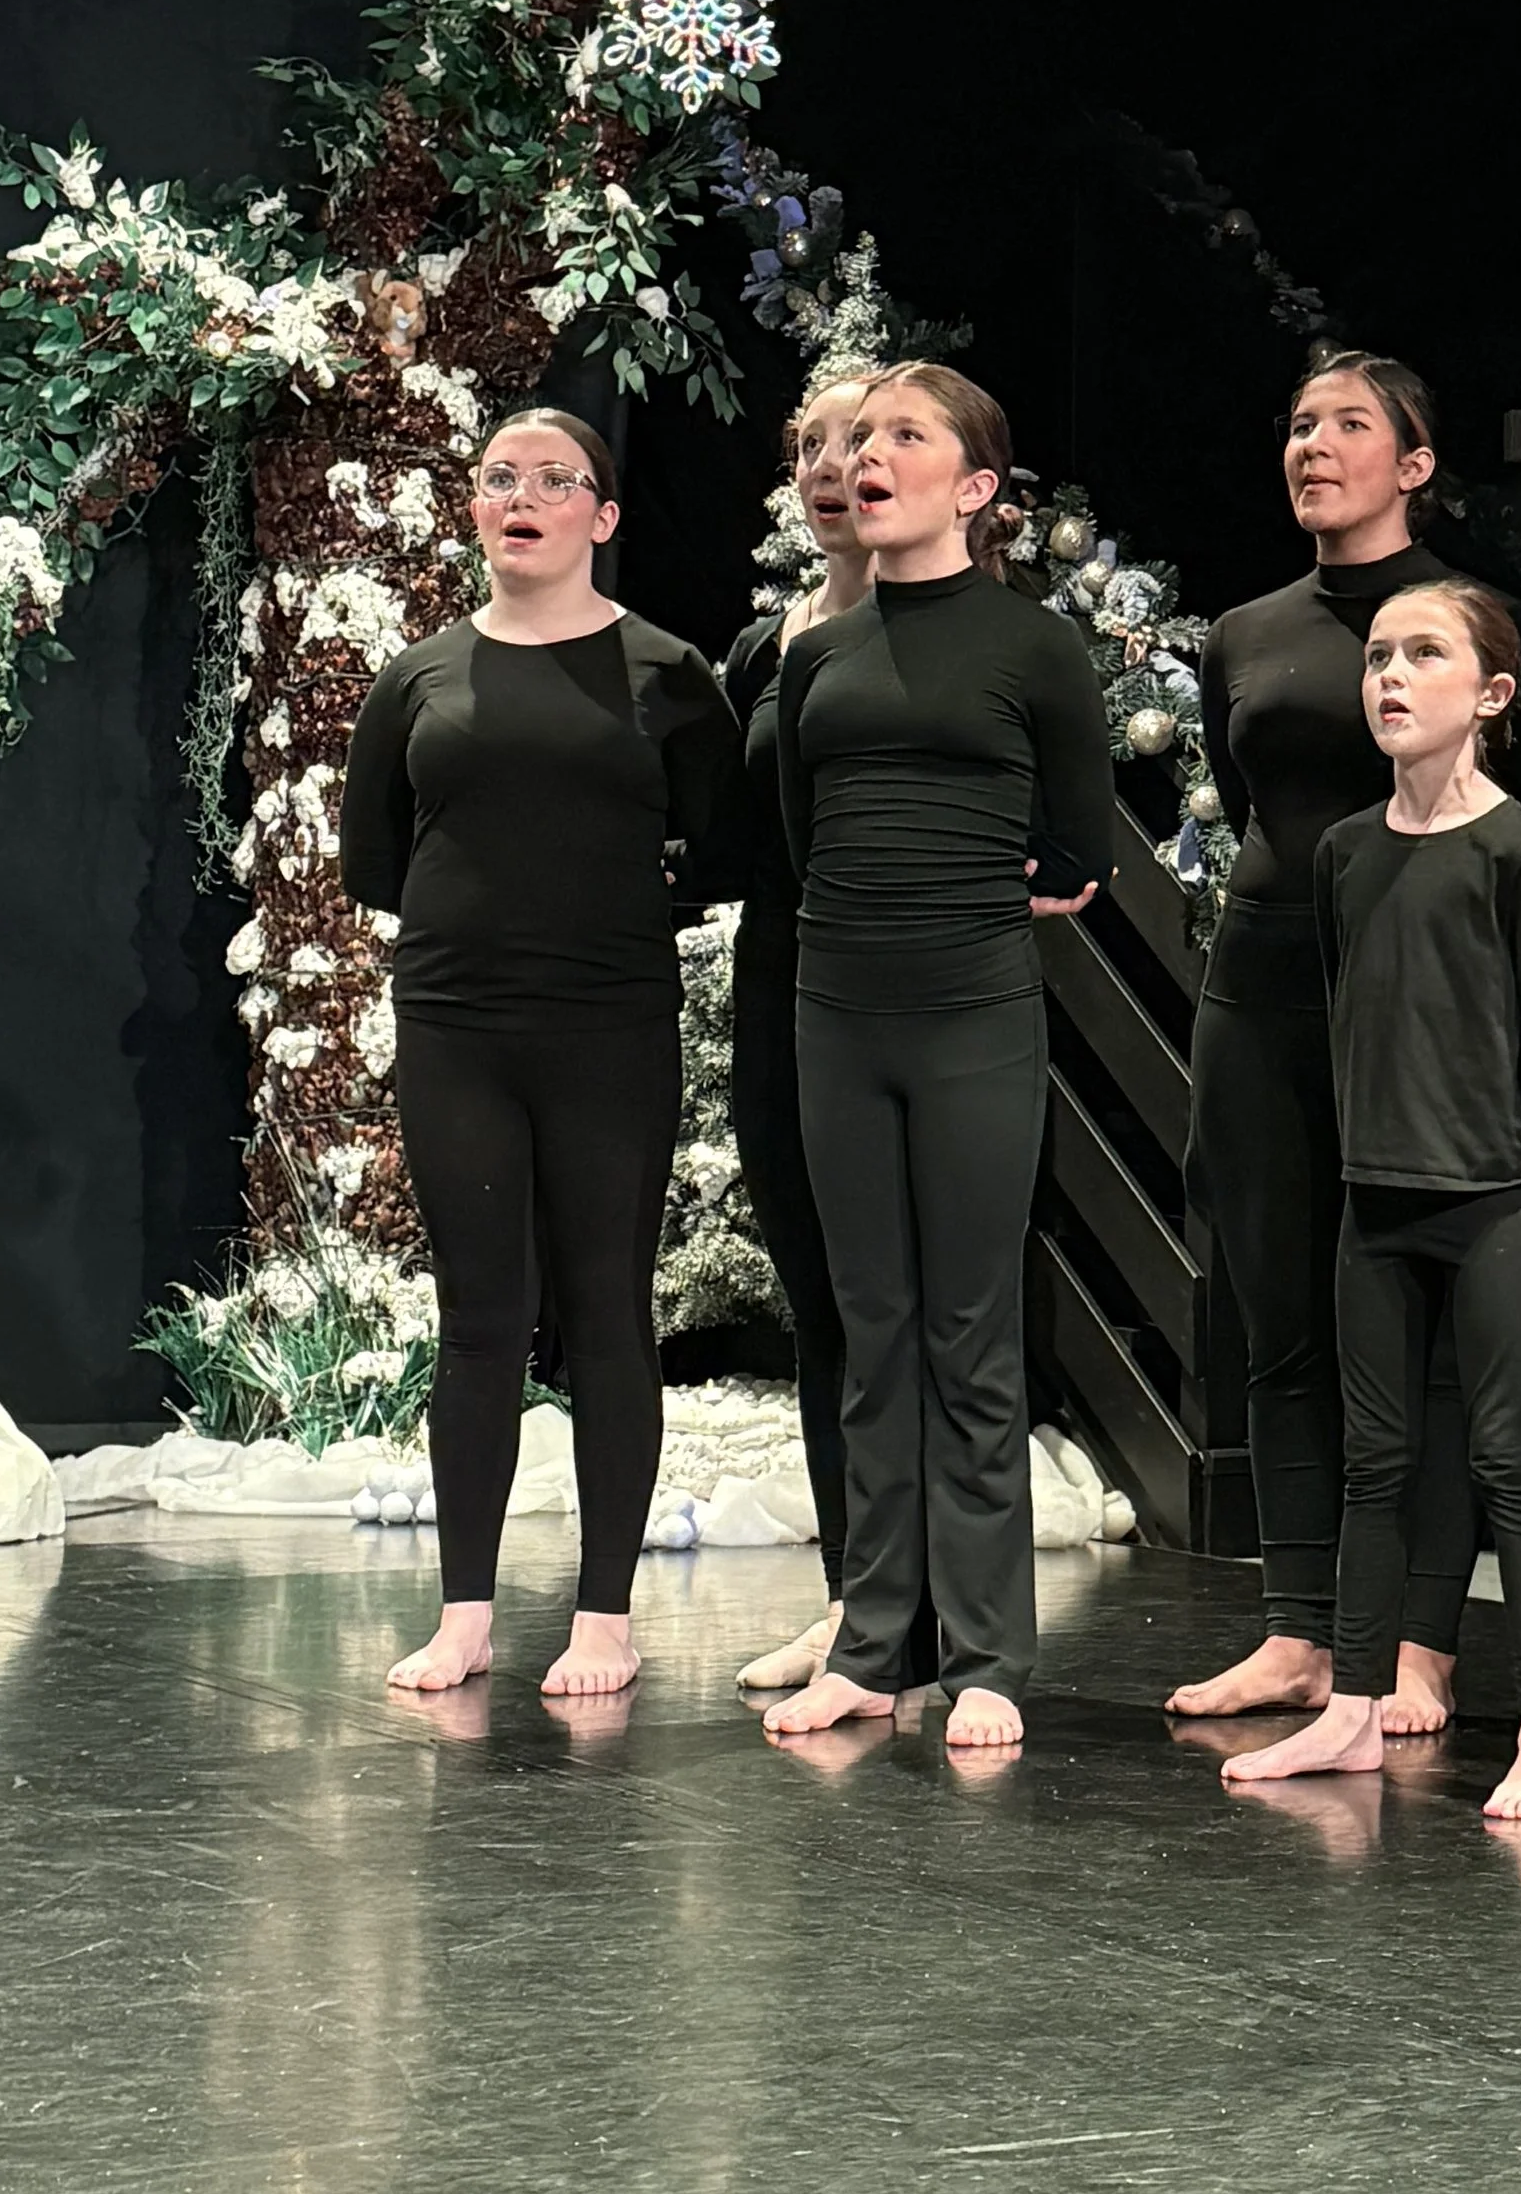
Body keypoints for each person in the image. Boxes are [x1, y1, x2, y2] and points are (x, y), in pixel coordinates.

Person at [340, 407, 744, 1699]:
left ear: (603, 517)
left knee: (609, 1311)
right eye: (500, 476)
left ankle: (605, 1616)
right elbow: (376, 858)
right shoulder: (421, 677)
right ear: (473, 507)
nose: (524, 495)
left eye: (555, 480)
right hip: (458, 1023)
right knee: (481, 1320)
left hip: (608, 1025)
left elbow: (720, 844)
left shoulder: (668, 673)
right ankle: (465, 1612)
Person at [761, 364, 1113, 1755]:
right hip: (839, 1013)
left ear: (976, 488)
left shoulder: (1033, 651)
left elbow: (1077, 847)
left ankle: (985, 1655)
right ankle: (870, 1640)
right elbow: (801, 843)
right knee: (870, 1325)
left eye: (907, 436)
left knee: (970, 1334)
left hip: (973, 1016)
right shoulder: (817, 657)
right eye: (858, 437)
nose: (869, 455)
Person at [1222, 580, 1521, 1817]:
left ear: (1488, 694)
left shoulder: (1519, 853)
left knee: (1507, 1463)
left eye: (1420, 655)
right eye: (1376, 655)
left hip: (1490, 1203)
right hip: (1370, 1206)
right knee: (1373, 1464)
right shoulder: (1343, 853)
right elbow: (1347, 1021)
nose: (1386, 676)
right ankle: (1351, 1704)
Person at [1168, 350, 1481, 1732]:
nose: (1315, 445)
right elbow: (1254, 805)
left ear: (1413, 464)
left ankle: (1418, 1635)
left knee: (1411, 1328)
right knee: (1279, 1319)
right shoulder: (1245, 630)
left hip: (1410, 1001)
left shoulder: (1466, 622)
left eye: (1350, 424)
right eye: (1298, 423)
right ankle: (1299, 1626)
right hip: (1263, 991)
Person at [724, 373, 877, 1698]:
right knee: (824, 1306)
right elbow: (728, 842)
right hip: (781, 993)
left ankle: (944, 1612)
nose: (834, 467)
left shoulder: (965, 635)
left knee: (921, 1310)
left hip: (908, 998)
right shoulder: (763, 646)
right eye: (811, 443)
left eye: (864, 443)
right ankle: (857, 1601)